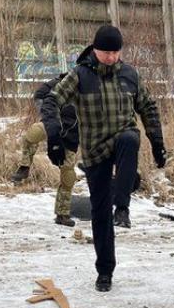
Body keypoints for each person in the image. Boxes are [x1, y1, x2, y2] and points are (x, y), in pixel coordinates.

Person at [41, 25, 165, 292]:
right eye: (105, 52)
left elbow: (148, 107)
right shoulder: (81, 75)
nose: (110, 57)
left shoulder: (130, 75)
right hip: (95, 150)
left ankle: (123, 207)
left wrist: (157, 143)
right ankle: (105, 271)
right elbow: (52, 100)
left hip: (123, 138)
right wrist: (53, 134)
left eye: (115, 52)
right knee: (99, 213)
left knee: (131, 139)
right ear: (94, 50)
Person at [10, 72, 80, 234]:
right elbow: (40, 94)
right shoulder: (59, 82)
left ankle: (62, 214)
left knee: (68, 176)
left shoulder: (92, 90)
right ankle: (24, 167)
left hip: (71, 136)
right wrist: (47, 114)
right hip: (52, 124)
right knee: (30, 136)